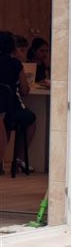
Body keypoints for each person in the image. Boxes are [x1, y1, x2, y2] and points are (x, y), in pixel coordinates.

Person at [0, 31, 36, 175]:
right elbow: (25, 90)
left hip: (2, 111)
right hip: (11, 108)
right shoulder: (15, 64)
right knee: (31, 119)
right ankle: (20, 159)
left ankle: (2, 161)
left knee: (4, 122)